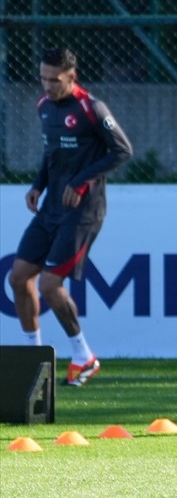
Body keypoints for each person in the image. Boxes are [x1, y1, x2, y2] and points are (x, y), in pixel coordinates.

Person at [8, 46, 133, 386]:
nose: (47, 86)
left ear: (71, 77)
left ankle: (84, 357)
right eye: (43, 79)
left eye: (55, 80)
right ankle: (33, 355)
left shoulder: (91, 108)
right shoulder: (44, 106)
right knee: (19, 278)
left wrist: (80, 181)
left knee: (50, 284)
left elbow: (122, 149)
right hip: (51, 207)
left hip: (84, 211)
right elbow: (52, 152)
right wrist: (37, 185)